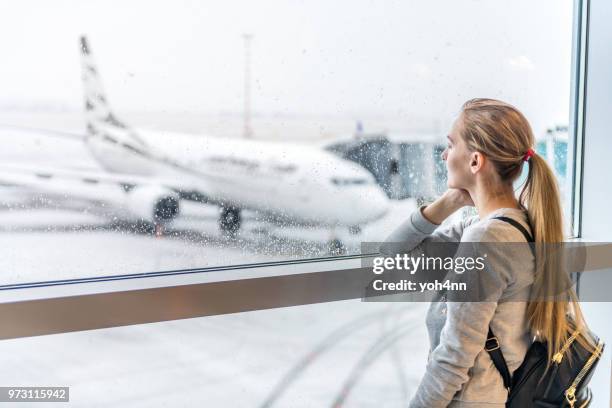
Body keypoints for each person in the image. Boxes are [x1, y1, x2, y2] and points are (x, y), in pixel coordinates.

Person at [381, 98, 594, 407]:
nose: (444, 155)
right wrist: (446, 204)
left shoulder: (486, 239)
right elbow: (390, 259)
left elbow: (454, 359)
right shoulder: (506, 224)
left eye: (451, 145)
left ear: (475, 162)